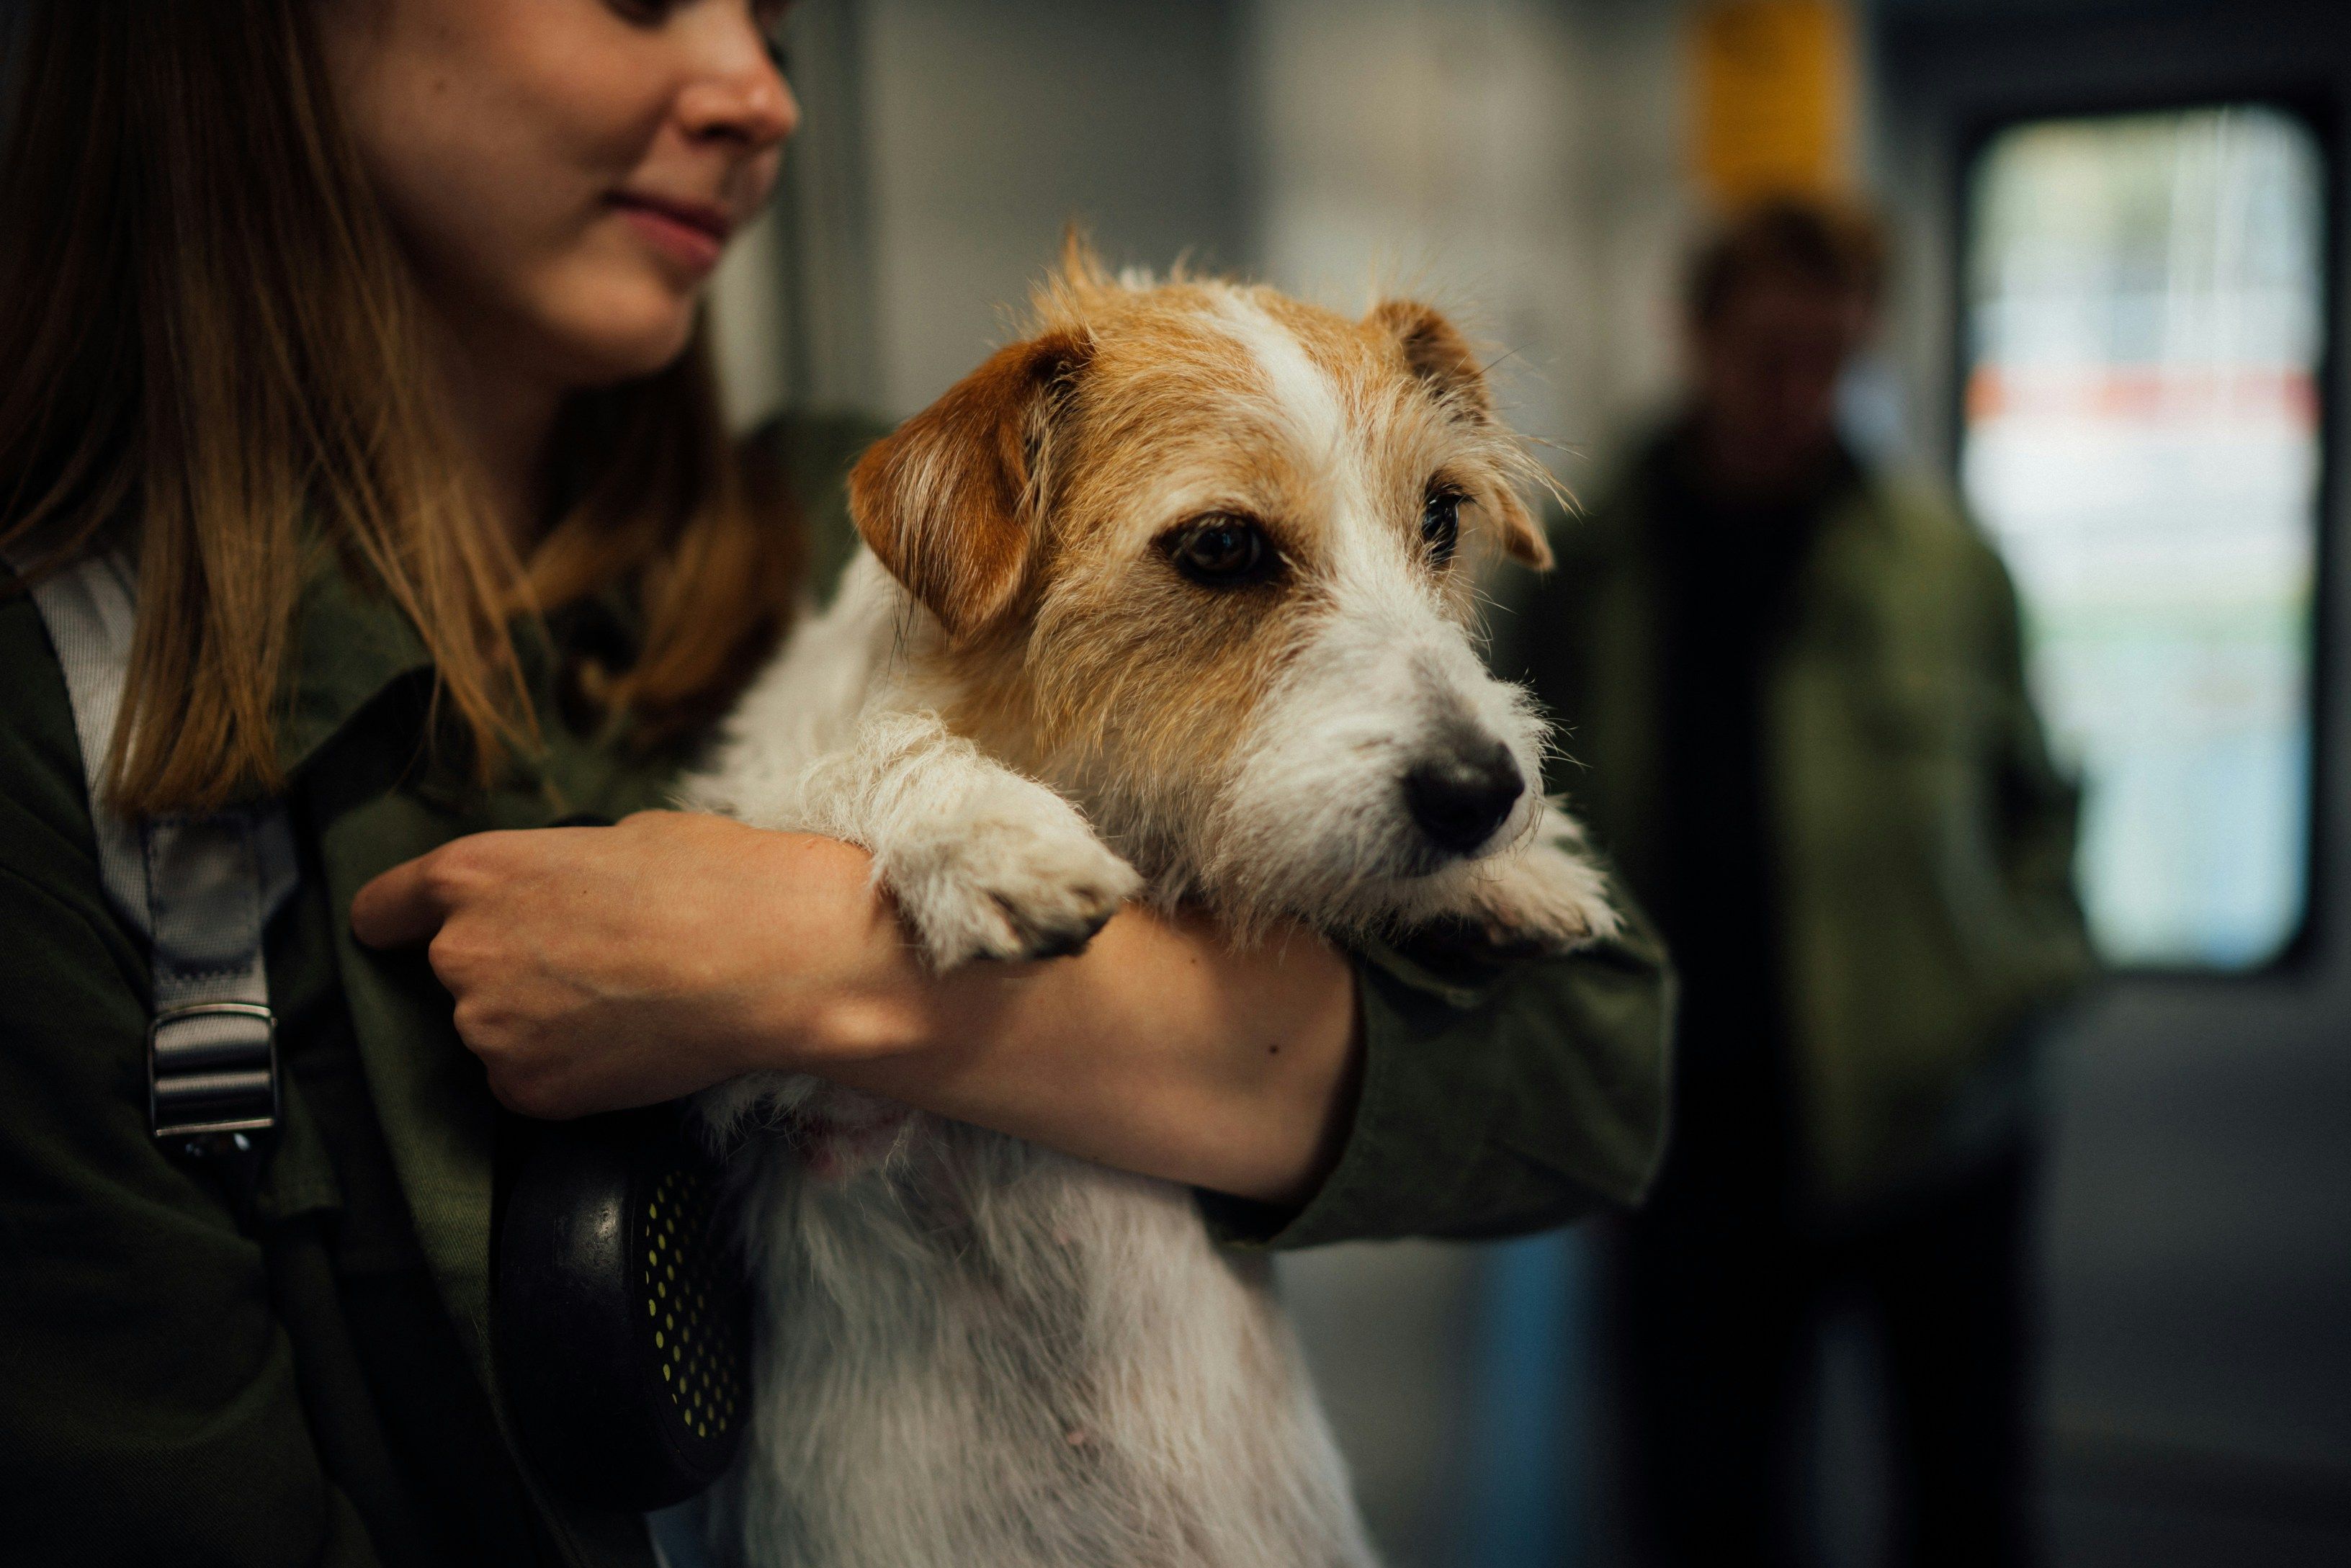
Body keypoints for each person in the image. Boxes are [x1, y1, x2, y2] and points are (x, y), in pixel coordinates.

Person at [0, 4, 1671, 1564]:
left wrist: (816, 968)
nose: (762, 92)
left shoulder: (855, 547)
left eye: (782, 25)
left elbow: (1595, 1061)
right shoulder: (69, 716)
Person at [1497, 199, 2095, 1568]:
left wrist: (2022, 979)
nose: (1801, 394)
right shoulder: (1591, 567)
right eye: (1770, 352)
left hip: (1936, 1128)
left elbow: (2039, 805)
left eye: (1834, 359)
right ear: (1695, 335)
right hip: (1688, 1141)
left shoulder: (1946, 566)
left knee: (1965, 1504)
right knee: (1705, 1515)